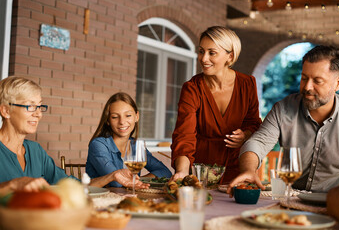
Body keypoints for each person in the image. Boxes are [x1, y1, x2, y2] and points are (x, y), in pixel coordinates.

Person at [228, 45, 339, 195]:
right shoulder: (283, 109)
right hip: (289, 200)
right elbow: (257, 143)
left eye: (318, 81)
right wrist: (249, 170)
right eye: (304, 78)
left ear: (338, 83)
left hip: (333, 204)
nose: (307, 87)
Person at [0, 76, 148, 192]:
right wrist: (12, 185)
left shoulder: (35, 151)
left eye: (39, 106)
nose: (38, 114)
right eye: (30, 106)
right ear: (6, 111)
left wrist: (112, 176)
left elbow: (75, 186)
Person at [171, 26, 262, 183]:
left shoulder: (247, 84)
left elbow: (253, 123)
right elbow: (184, 135)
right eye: (201, 51)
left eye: (212, 53)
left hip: (237, 167)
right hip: (202, 171)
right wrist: (182, 171)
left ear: (230, 56)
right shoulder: (192, 88)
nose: (204, 58)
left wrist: (245, 135)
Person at [86, 92, 172, 187]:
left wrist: (138, 180)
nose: (122, 122)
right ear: (108, 121)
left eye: (128, 115)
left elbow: (165, 172)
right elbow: (117, 182)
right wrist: (136, 181)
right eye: (115, 117)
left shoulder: (135, 146)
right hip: (101, 199)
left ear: (136, 116)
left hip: (128, 197)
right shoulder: (98, 145)